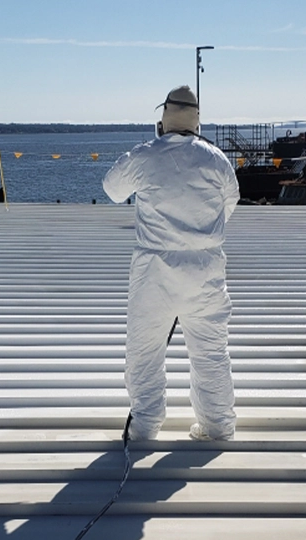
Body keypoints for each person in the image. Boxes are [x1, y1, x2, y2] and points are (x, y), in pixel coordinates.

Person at [103, 85, 239, 442]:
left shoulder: (146, 155)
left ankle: (145, 427)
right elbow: (230, 204)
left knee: (145, 351)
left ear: (162, 120)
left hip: (155, 273)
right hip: (206, 271)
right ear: (196, 121)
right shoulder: (216, 160)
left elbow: (112, 189)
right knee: (210, 352)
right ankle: (219, 427)